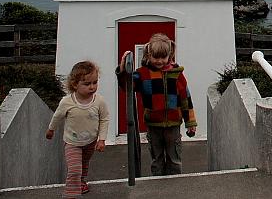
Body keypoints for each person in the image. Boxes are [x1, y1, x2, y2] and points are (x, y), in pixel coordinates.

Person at [118, 33, 197, 175]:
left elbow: (186, 99)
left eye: (163, 57)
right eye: (155, 57)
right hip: (153, 124)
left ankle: (175, 183)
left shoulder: (176, 74)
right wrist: (123, 70)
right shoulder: (142, 74)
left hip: (173, 124)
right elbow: (128, 86)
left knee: (174, 158)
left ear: (169, 55)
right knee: (157, 159)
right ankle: (157, 183)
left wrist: (190, 122)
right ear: (149, 55)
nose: (159, 61)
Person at [46, 61, 109, 197]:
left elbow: (104, 119)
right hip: (72, 142)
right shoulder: (67, 102)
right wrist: (51, 129)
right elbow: (57, 116)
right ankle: (71, 194)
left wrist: (102, 139)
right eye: (87, 84)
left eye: (95, 82)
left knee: (84, 164)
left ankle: (81, 181)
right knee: (74, 169)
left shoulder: (99, 101)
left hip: (90, 141)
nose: (92, 87)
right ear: (75, 84)